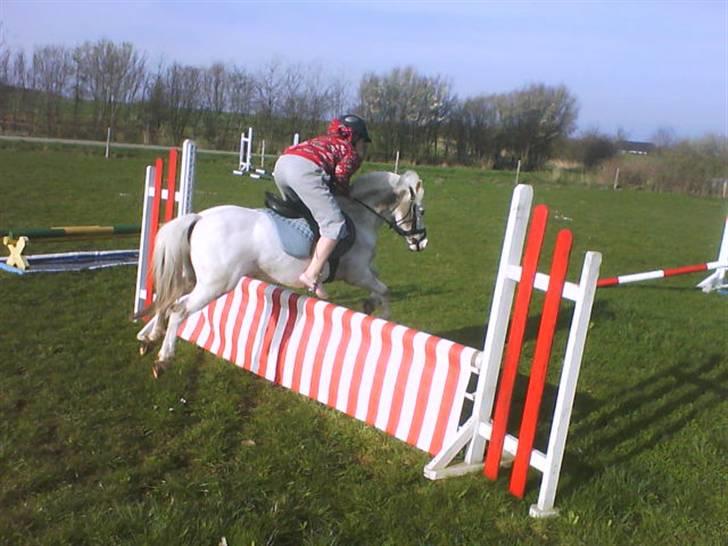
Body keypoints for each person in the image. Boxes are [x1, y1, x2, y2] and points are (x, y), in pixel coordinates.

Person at [273, 114, 371, 299]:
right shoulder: (350, 152)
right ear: (355, 137)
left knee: (304, 212)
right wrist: (345, 191)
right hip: (304, 172)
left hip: (282, 164)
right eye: (362, 141)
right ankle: (311, 275)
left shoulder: (321, 140)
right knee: (334, 224)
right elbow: (341, 176)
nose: (362, 146)